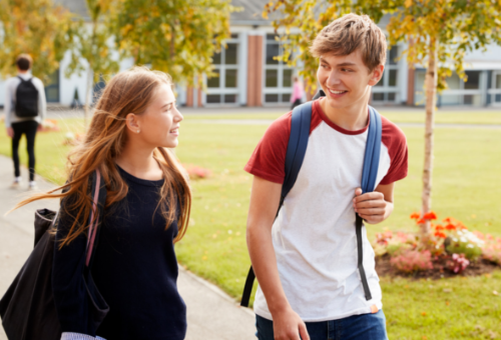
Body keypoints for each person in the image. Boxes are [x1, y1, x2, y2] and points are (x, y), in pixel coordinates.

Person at [245, 14, 408, 340]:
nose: (330, 79)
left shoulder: (390, 139)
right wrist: (280, 310)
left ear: (375, 73)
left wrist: (382, 209)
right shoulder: (287, 132)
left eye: (345, 69)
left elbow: (387, 202)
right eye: (324, 65)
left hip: (360, 308)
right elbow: (257, 225)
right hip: (290, 309)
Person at [16, 66, 191, 340]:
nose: (179, 116)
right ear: (133, 122)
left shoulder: (173, 179)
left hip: (167, 328)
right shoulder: (92, 182)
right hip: (105, 333)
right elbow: (66, 273)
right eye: (167, 108)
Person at [4, 54, 47, 190]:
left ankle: (17, 178)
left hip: (17, 120)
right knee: (31, 149)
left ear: (17, 66)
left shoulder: (11, 83)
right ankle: (32, 181)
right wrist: (42, 120)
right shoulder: (37, 82)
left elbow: (8, 105)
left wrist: (8, 124)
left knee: (15, 147)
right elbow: (42, 104)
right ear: (30, 66)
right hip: (33, 120)